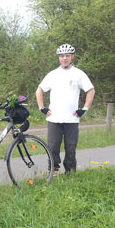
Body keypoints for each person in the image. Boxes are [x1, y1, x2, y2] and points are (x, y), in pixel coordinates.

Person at [36, 43, 95, 175]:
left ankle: (70, 172)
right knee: (53, 147)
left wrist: (84, 109)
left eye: (67, 56)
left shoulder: (79, 74)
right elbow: (39, 90)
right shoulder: (53, 74)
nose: (64, 58)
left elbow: (91, 90)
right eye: (62, 56)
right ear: (59, 57)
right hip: (54, 118)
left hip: (72, 118)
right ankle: (54, 171)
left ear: (72, 57)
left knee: (71, 148)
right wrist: (42, 107)